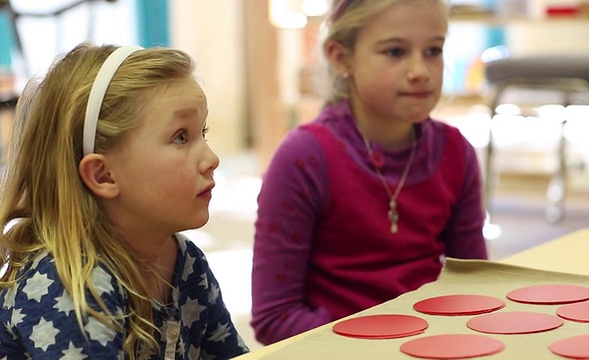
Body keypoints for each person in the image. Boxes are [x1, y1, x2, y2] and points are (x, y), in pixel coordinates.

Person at [251, 0, 488, 345]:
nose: (420, 70)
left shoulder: (455, 151)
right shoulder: (304, 158)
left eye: (433, 50)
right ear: (341, 57)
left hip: (433, 344)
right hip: (339, 350)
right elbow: (275, 316)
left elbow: (473, 284)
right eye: (395, 52)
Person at [0, 43, 249, 359]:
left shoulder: (185, 262)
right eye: (181, 137)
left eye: (203, 132)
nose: (211, 159)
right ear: (103, 175)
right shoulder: (71, 287)